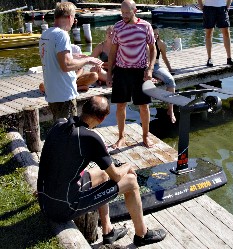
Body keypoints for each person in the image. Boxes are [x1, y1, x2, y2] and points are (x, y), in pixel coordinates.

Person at [37, 96, 167, 246]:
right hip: (63, 208)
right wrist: (127, 166)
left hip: (45, 200)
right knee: (130, 181)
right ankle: (142, 234)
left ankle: (108, 231)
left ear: (83, 109)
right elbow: (117, 176)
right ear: (102, 119)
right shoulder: (91, 137)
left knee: (103, 174)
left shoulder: (60, 124)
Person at [39, 2, 103, 121]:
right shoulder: (62, 35)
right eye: (74, 17)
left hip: (52, 93)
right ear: (69, 17)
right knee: (68, 132)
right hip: (64, 94)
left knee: (58, 127)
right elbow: (66, 66)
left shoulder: (46, 34)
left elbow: (52, 56)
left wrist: (73, 56)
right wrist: (87, 60)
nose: (74, 21)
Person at [106, 0, 156, 148]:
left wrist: (151, 68)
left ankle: (146, 136)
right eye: (122, 13)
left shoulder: (145, 26)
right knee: (121, 105)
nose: (124, 16)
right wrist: (109, 73)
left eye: (127, 13)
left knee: (143, 105)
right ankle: (121, 137)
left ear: (135, 11)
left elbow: (153, 48)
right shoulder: (118, 27)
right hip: (122, 71)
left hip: (140, 71)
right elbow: (113, 51)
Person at [151, 24, 176, 124]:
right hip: (144, 68)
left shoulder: (161, 44)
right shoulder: (142, 43)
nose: (156, 36)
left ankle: (171, 109)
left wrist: (170, 69)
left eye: (157, 34)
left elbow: (164, 58)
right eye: (154, 34)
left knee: (170, 80)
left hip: (156, 67)